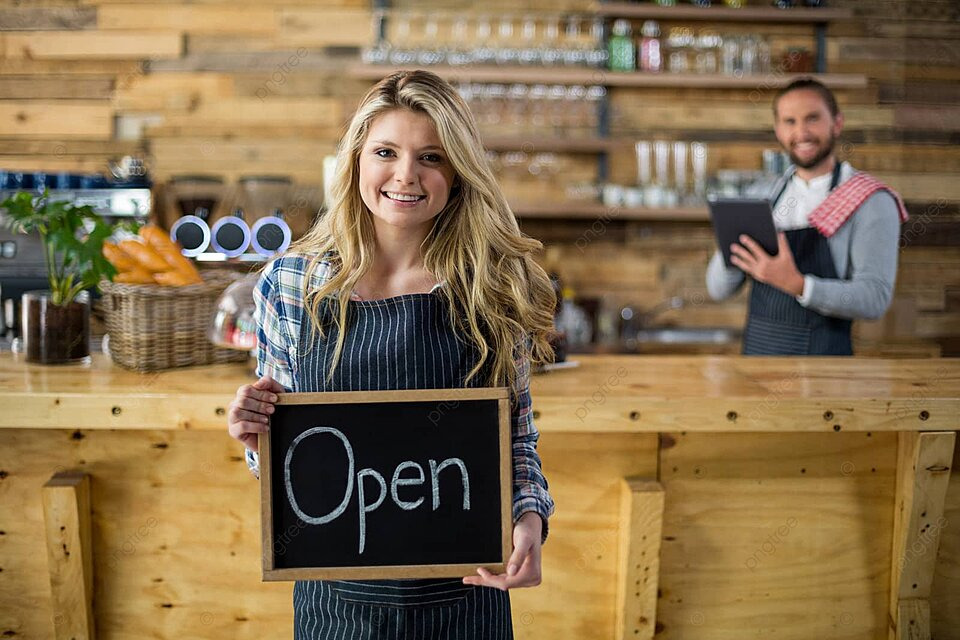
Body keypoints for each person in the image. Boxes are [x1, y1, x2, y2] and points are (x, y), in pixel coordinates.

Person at [226, 69, 556, 639]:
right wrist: (258, 436)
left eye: (431, 156)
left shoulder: (495, 285)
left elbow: (515, 438)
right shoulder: (289, 284)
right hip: (336, 603)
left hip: (465, 597)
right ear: (355, 160)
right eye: (386, 151)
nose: (406, 175)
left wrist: (529, 518)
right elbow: (286, 460)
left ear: (457, 173)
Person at [706, 77, 909, 355]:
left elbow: (874, 299)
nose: (801, 132)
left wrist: (798, 285)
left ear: (837, 123)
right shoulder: (762, 195)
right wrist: (731, 237)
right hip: (756, 364)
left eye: (812, 118)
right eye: (790, 121)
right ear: (778, 130)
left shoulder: (870, 200)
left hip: (825, 371)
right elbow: (718, 290)